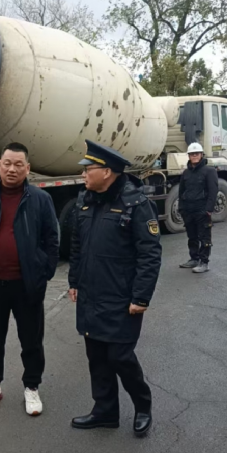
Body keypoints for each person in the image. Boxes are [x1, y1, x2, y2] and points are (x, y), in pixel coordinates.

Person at [69, 141, 162, 437]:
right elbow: (77, 246)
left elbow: (150, 253)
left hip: (122, 298)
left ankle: (143, 406)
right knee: (97, 357)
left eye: (89, 169)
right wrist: (74, 281)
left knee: (120, 357)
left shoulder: (136, 203)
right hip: (91, 295)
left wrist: (141, 297)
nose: (83, 173)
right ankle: (105, 412)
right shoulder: (85, 201)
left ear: (107, 172)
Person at [0, 143, 59, 417]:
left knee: (31, 339)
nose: (12, 169)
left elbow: (52, 238)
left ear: (27, 168)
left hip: (26, 283)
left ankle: (32, 387)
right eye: (7, 163)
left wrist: (44, 272)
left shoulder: (40, 199)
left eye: (18, 164)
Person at [179, 142, 219, 274]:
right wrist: (181, 208)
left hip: (202, 210)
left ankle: (204, 262)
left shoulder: (209, 171)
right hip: (188, 210)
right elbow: (181, 191)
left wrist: (208, 210)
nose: (194, 156)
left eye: (196, 153)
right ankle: (194, 258)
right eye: (192, 154)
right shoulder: (186, 173)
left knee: (204, 237)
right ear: (189, 156)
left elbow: (213, 191)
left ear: (202, 154)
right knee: (192, 237)